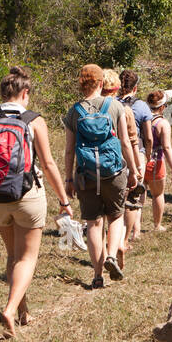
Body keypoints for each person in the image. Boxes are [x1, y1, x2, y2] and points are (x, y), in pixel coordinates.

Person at [0, 66, 73, 336]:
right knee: (27, 258)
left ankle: (23, 311)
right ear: (25, 93)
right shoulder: (34, 120)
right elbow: (49, 163)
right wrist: (63, 200)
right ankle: (10, 309)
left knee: (12, 255)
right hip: (28, 196)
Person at [63, 64, 141, 288]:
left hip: (86, 173)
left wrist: (68, 179)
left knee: (93, 224)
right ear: (100, 83)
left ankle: (97, 276)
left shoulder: (74, 111)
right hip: (113, 171)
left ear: (81, 84)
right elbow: (125, 143)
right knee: (116, 216)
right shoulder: (114, 106)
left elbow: (69, 150)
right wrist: (134, 171)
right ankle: (112, 256)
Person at [118, 69, 152, 247]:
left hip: (116, 152)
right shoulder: (142, 106)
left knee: (122, 191)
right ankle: (135, 230)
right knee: (137, 191)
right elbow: (148, 137)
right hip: (136, 150)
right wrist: (148, 153)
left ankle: (120, 228)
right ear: (136, 87)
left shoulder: (112, 103)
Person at [143, 90, 172, 230]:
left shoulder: (142, 118)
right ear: (163, 107)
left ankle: (135, 228)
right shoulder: (162, 123)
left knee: (139, 194)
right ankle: (157, 225)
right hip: (156, 162)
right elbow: (167, 147)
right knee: (157, 194)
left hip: (140, 160)